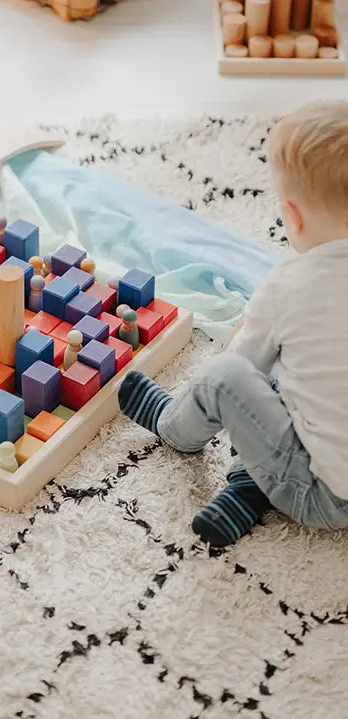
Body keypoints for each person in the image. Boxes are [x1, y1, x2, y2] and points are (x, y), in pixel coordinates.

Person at [118, 99, 348, 547]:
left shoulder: (290, 285)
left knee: (226, 378)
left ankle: (174, 426)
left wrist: (252, 330)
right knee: (307, 368)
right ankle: (247, 490)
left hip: (324, 495)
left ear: (293, 217)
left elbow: (241, 368)